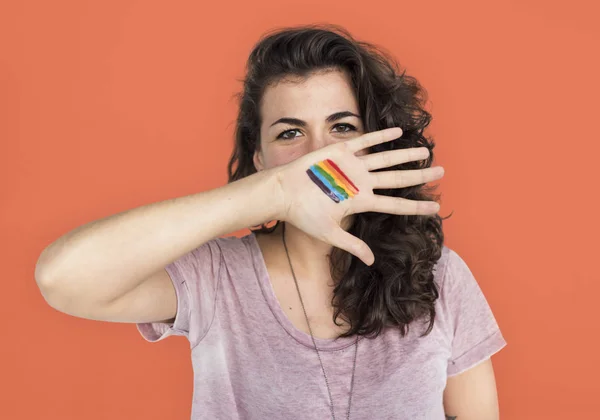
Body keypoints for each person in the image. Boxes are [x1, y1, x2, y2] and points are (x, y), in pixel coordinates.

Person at [35, 24, 507, 420]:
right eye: (290, 133)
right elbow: (62, 278)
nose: (320, 154)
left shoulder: (440, 275)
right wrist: (276, 192)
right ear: (258, 160)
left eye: (343, 127)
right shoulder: (218, 278)